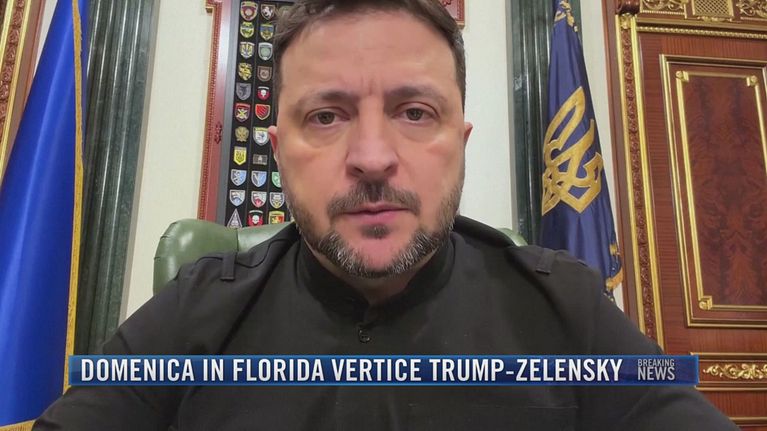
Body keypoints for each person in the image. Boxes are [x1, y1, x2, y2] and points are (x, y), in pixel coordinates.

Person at [35, 0, 738, 429]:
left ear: (460, 142)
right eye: (326, 115)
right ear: (278, 152)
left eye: (414, 112)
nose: (372, 157)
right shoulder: (195, 308)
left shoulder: (565, 305)